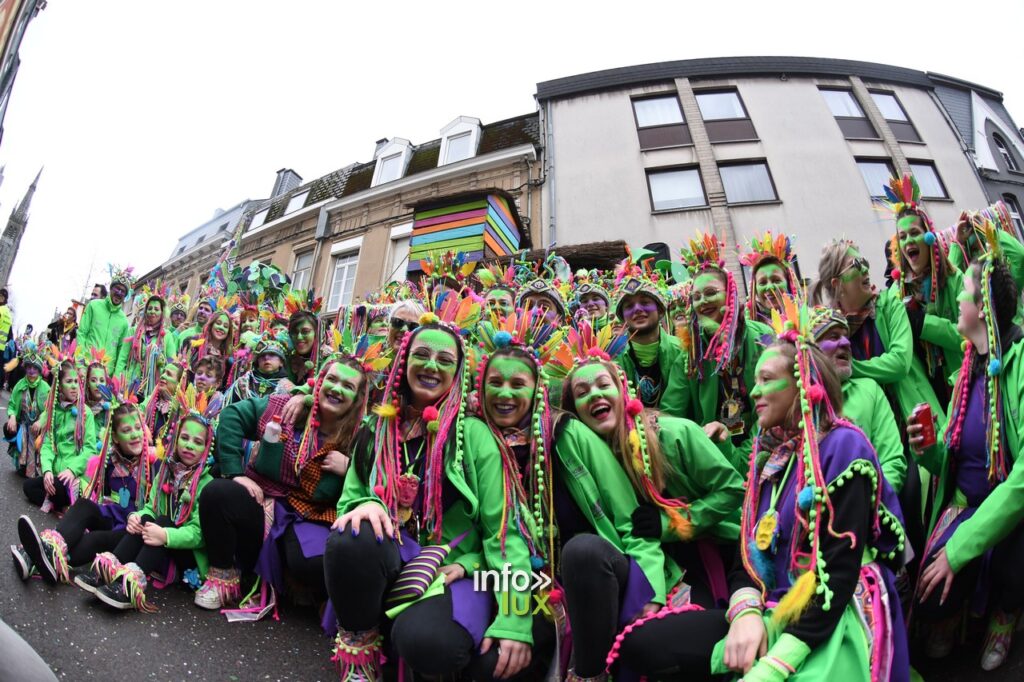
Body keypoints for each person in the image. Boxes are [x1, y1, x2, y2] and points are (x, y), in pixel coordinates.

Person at [613, 298, 909, 682]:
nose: (754, 392)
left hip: (837, 609)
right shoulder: (769, 460)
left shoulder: (842, 446)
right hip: (772, 605)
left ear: (804, 381)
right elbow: (747, 558)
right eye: (755, 380)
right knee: (644, 643)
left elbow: (838, 572)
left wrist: (775, 664)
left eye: (767, 379)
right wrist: (746, 616)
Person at [323, 296, 536, 681]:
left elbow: (504, 533)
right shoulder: (375, 432)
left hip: (452, 569)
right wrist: (368, 503)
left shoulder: (475, 436)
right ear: (404, 362)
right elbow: (346, 506)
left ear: (458, 373)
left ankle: (409, 632)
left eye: (445, 360)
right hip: (390, 560)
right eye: (422, 354)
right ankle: (362, 654)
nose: (431, 366)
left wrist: (516, 618)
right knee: (352, 535)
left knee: (428, 645)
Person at [554, 326, 745, 681]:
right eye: (582, 392)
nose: (594, 394)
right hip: (660, 561)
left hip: (715, 554)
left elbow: (735, 489)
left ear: (622, 390)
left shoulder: (674, 435)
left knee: (662, 647)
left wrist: (673, 523)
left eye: (602, 385)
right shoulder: (594, 460)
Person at [909, 230, 1024, 671]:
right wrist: (926, 450)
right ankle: (956, 610)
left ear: (985, 308)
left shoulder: (1019, 361)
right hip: (965, 507)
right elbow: (950, 465)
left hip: (1012, 512)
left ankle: (1006, 610)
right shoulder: (964, 372)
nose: (957, 297)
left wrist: (962, 549)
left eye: (966, 291)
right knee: (929, 601)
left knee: (1013, 562)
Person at [196, 351, 375, 614]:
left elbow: (378, 482)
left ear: (358, 398)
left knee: (309, 563)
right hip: (265, 502)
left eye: (347, 386)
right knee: (218, 493)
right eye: (332, 380)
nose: (336, 389)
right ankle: (225, 577)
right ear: (320, 382)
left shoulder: (362, 436)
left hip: (312, 517)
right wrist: (236, 473)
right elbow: (232, 417)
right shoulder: (283, 406)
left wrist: (350, 469)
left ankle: (297, 585)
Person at [86, 389, 219, 612]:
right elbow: (151, 506)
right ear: (175, 439)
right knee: (147, 518)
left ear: (206, 448)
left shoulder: (206, 483)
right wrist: (137, 517)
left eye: (197, 442)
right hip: (162, 543)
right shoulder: (166, 471)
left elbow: (198, 534)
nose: (189, 445)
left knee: (164, 521)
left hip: (189, 561)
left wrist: (164, 534)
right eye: (184, 438)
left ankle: (128, 587)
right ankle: (109, 569)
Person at [11, 388, 152, 586]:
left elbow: (155, 508)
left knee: (93, 540)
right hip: (111, 518)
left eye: (138, 427)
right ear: (116, 437)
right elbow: (103, 498)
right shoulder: (108, 462)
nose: (135, 434)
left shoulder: (152, 466)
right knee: (84, 505)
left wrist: (136, 517)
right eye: (127, 430)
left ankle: (35, 557)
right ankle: (46, 550)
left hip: (131, 532)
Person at [662, 233, 773, 471]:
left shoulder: (762, 337)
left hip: (765, 447)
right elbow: (671, 415)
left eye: (711, 293)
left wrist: (745, 458)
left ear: (731, 295)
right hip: (712, 457)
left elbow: (778, 404)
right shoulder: (689, 356)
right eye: (696, 297)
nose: (702, 302)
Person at [882, 174, 964, 409]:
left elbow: (966, 336)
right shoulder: (895, 293)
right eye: (903, 236)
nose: (909, 240)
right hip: (924, 395)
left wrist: (923, 324)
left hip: (961, 383)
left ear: (929, 236)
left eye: (915, 232)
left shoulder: (953, 278)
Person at [810, 306, 907, 493]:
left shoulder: (869, 390)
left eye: (846, 336)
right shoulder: (793, 400)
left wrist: (865, 506)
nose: (846, 342)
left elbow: (893, 462)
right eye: (833, 336)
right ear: (811, 348)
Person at [22, 356, 98, 513]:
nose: (74, 386)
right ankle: (61, 505)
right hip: (56, 475)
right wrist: (47, 470)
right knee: (28, 486)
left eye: (76, 382)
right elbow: (48, 443)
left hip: (74, 477)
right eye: (69, 382)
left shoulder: (86, 413)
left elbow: (90, 450)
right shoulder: (54, 411)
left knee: (56, 488)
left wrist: (71, 470)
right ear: (59, 386)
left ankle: (61, 502)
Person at [612, 263, 681, 409]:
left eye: (645, 302)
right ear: (623, 318)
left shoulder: (682, 351)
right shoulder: (612, 358)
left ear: (661, 311)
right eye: (629, 306)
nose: (637, 309)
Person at [115, 292, 178, 397]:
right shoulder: (133, 331)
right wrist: (116, 383)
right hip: (129, 385)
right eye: (150, 308)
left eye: (156, 309)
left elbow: (172, 364)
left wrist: (160, 361)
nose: (152, 311)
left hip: (153, 388)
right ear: (145, 311)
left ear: (162, 313)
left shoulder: (167, 336)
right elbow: (122, 358)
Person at [4, 343, 49, 475]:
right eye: (28, 367)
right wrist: (12, 417)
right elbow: (12, 405)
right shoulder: (20, 385)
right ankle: (21, 462)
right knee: (8, 427)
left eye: (35, 368)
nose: (31, 371)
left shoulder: (45, 387)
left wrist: (41, 422)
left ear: (40, 369)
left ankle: (38, 463)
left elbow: (49, 410)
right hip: (24, 425)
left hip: (39, 428)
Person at [77, 268, 132, 374]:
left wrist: (116, 378)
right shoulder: (93, 306)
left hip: (106, 375)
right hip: (87, 367)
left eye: (123, 291)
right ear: (111, 289)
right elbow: (82, 334)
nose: (119, 293)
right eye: (117, 289)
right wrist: (80, 363)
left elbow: (121, 352)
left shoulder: (124, 322)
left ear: (125, 296)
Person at [740, 232, 800, 324]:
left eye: (776, 280)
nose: (770, 287)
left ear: (788, 282)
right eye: (762, 283)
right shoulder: (744, 327)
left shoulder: (811, 319)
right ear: (754, 289)